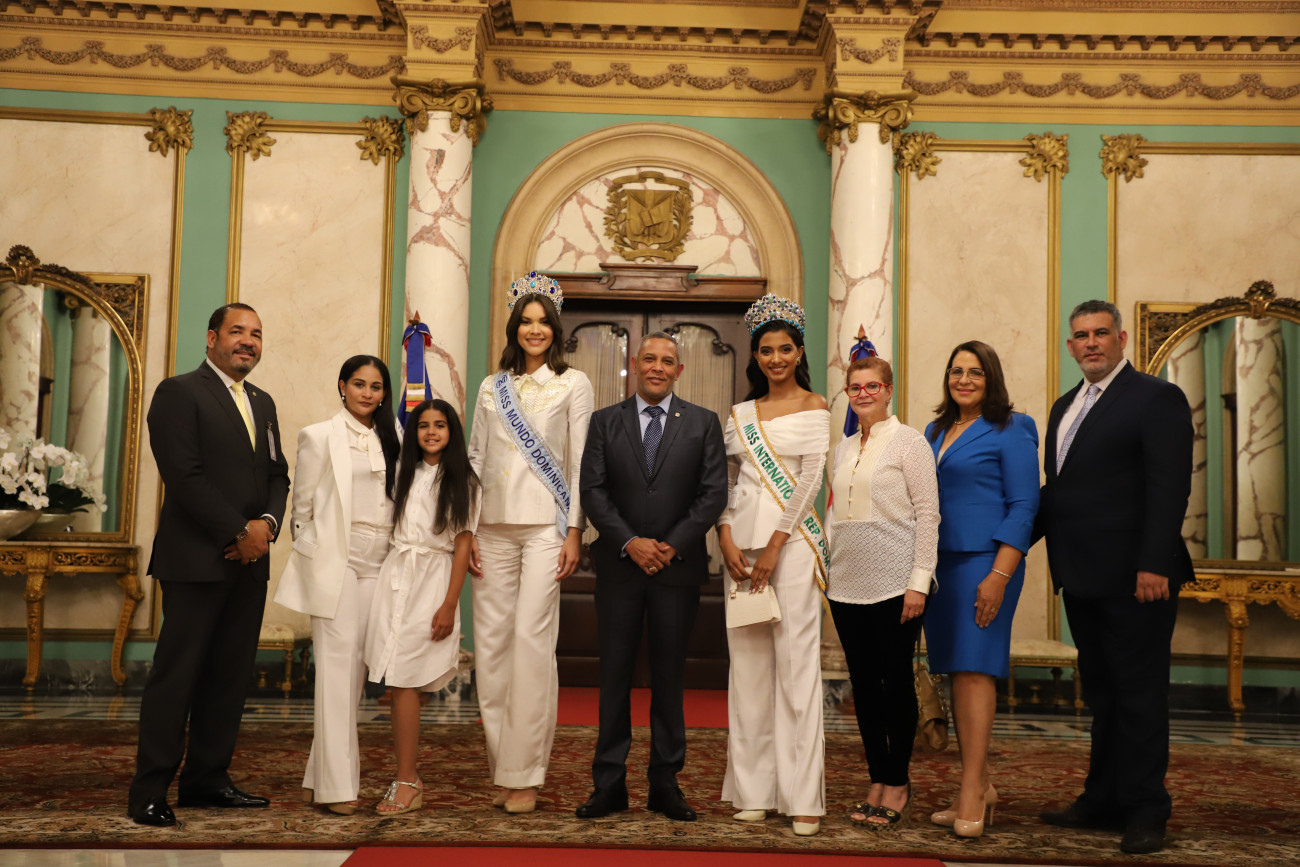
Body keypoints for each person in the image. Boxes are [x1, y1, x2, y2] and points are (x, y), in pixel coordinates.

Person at [1036, 300, 1193, 856]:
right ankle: (1102, 799)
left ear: (1121, 338)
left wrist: (1154, 563)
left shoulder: (1156, 397)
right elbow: (1059, 493)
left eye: (1101, 333)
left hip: (1137, 579)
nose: (1091, 343)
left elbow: (1170, 486)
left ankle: (1147, 810)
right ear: (1071, 346)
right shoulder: (1064, 406)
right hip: (1082, 577)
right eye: (1081, 336)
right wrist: (1003, 547)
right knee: (1103, 694)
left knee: (1139, 695)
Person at [127, 302, 289, 827]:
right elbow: (184, 474)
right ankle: (149, 791)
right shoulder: (179, 392)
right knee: (177, 678)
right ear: (211, 337)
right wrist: (238, 532)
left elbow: (277, 475)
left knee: (229, 677)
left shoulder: (262, 402)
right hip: (196, 560)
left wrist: (265, 526)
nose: (248, 341)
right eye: (237, 331)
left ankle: (206, 779)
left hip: (249, 564)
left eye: (256, 334)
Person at [576, 331, 728, 822]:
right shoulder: (605, 421)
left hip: (676, 569)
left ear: (679, 370)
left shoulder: (703, 423)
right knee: (614, 678)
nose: (658, 367)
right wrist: (630, 542)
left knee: (668, 679)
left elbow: (713, 493)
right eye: (649, 359)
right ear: (635, 365)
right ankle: (609, 785)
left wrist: (671, 544)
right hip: (620, 568)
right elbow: (593, 490)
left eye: (667, 360)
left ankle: (665, 784)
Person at [466, 272, 594, 814]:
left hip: (545, 527)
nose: (534, 330)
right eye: (526, 321)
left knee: (532, 642)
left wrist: (574, 531)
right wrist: (466, 530)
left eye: (543, 322)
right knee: (492, 646)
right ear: (514, 328)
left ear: (555, 329)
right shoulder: (491, 387)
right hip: (491, 526)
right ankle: (504, 765)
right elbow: (474, 458)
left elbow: (581, 461)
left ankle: (526, 774)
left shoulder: (574, 383)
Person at [717, 296, 829, 837]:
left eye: (785, 349)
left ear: (799, 352)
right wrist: (724, 534)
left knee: (796, 666)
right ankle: (754, 791)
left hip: (792, 547)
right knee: (748, 668)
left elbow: (809, 481)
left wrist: (776, 546)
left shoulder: (816, 405)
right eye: (766, 350)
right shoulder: (741, 414)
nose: (776, 358)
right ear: (755, 356)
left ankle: (803, 797)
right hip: (741, 548)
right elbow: (726, 479)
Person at [922, 341, 1040, 839]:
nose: (964, 380)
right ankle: (980, 784)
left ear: (991, 378)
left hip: (986, 563)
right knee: (955, 672)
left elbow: (1024, 505)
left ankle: (970, 791)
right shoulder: (934, 431)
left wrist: (999, 575)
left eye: (975, 372)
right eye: (956, 371)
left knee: (975, 672)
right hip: (940, 566)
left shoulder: (1013, 428)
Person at [274, 355, 401, 815]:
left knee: (354, 675)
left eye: (376, 386)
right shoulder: (319, 435)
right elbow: (302, 509)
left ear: (384, 393)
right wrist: (316, 560)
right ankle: (337, 787)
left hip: (380, 562)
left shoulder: (394, 435)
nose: (367, 393)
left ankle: (318, 776)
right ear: (342, 386)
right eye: (359, 384)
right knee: (335, 670)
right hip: (338, 562)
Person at [827, 356, 938, 829]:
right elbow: (835, 514)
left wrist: (919, 582)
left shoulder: (910, 442)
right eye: (855, 387)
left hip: (896, 584)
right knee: (865, 688)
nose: (863, 394)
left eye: (872, 386)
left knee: (895, 685)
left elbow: (928, 514)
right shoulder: (842, 448)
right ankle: (877, 777)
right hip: (845, 585)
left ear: (889, 391)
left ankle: (897, 781)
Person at [364, 399, 480, 815]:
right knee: (396, 681)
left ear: (452, 432)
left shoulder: (464, 480)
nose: (432, 432)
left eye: (440, 425)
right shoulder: (403, 471)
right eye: (424, 425)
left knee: (407, 679)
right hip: (394, 578)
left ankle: (407, 779)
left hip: (432, 582)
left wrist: (449, 604)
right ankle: (407, 776)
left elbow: (463, 545)